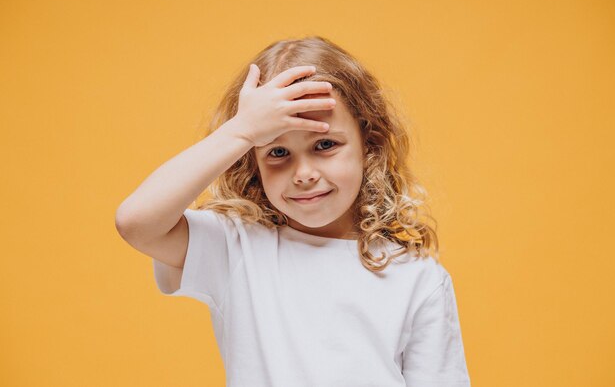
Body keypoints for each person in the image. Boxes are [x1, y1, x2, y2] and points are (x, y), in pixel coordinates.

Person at [115, 36, 471, 386]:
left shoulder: (418, 278)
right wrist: (242, 130)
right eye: (278, 152)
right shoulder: (237, 248)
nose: (304, 174)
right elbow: (137, 223)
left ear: (368, 143)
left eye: (325, 144)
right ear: (252, 161)